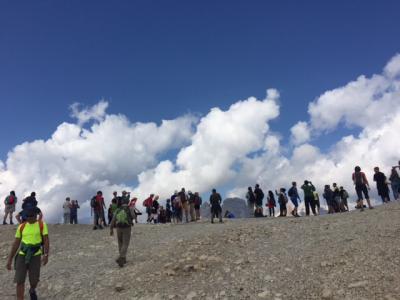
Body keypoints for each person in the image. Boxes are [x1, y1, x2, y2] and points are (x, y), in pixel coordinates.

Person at [6, 208, 49, 300]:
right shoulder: (22, 226)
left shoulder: (42, 225)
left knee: (34, 280)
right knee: (19, 280)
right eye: (27, 216)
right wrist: (10, 259)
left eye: (32, 216)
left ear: (36, 215)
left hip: (36, 255)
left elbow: (46, 239)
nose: (29, 218)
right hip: (22, 254)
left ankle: (32, 289)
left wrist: (46, 255)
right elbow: (16, 243)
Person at [110, 197, 133, 267]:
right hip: (127, 228)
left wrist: (111, 228)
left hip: (118, 228)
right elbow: (133, 216)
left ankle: (124, 259)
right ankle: (121, 257)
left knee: (120, 243)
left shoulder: (118, 209)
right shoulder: (130, 208)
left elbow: (113, 219)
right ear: (128, 202)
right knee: (125, 243)